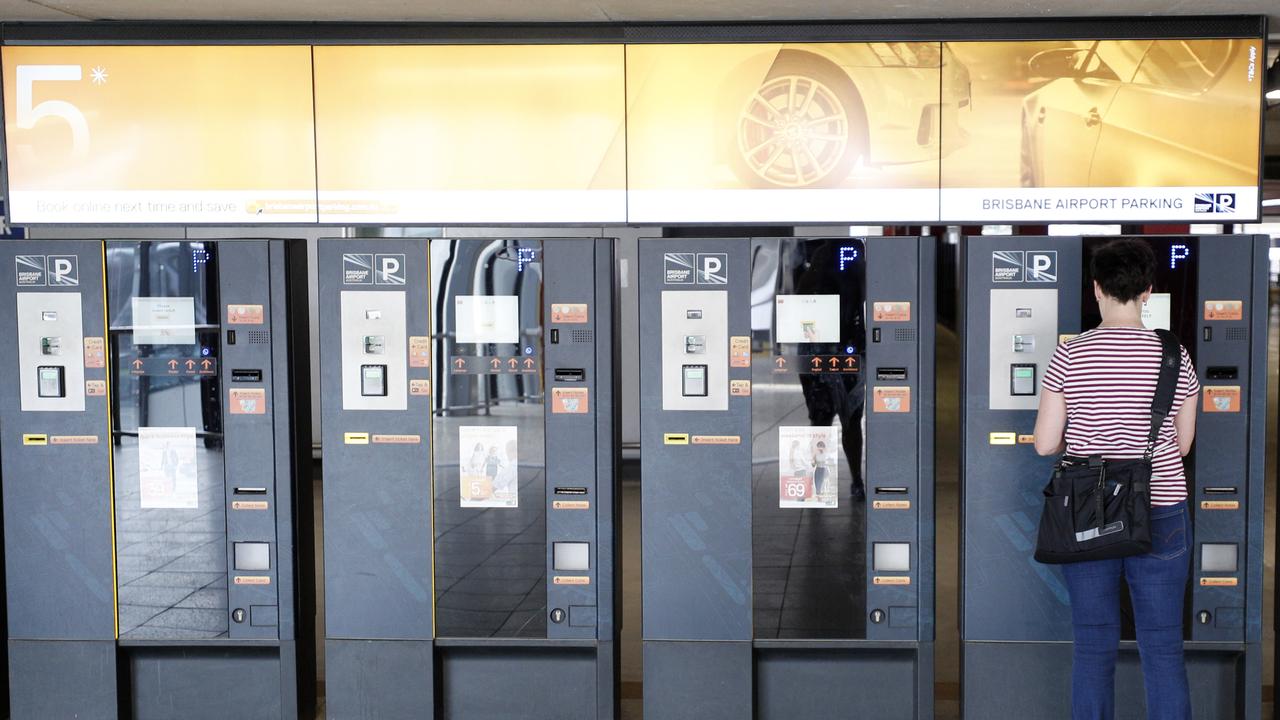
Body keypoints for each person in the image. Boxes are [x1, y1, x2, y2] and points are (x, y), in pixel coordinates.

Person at [1033, 239, 1199, 720]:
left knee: (1093, 644)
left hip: (1088, 507)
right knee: (1163, 647)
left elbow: (1045, 443)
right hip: (1161, 507)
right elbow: (1183, 443)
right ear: (1148, 290)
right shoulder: (1174, 355)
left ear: (1096, 289)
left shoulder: (1071, 356)